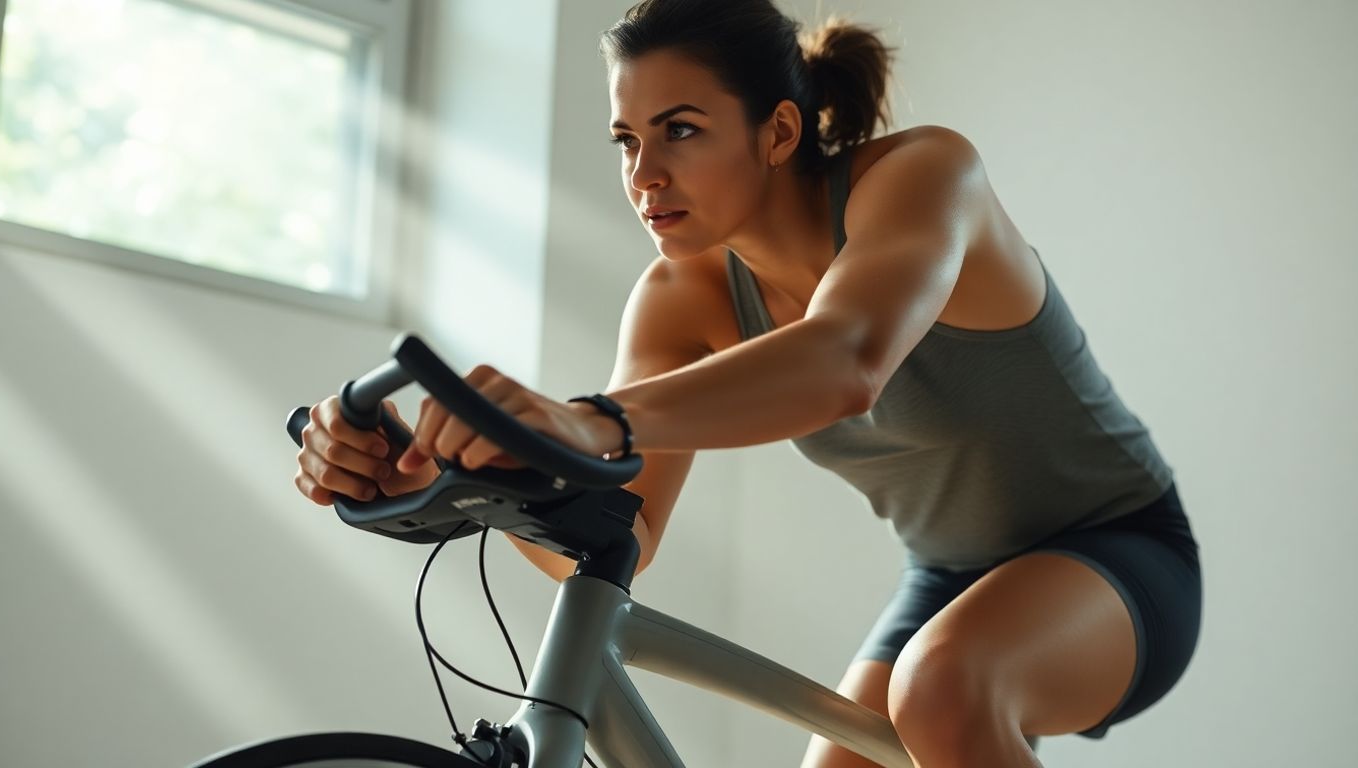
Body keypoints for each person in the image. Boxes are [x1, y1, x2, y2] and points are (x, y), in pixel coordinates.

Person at [293, 1, 1203, 765]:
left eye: (680, 130)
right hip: (948, 580)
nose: (644, 175)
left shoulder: (921, 176)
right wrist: (445, 475)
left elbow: (845, 359)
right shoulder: (678, 296)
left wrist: (590, 421)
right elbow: (619, 533)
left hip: (1120, 550)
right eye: (626, 140)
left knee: (943, 686)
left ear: (777, 131)